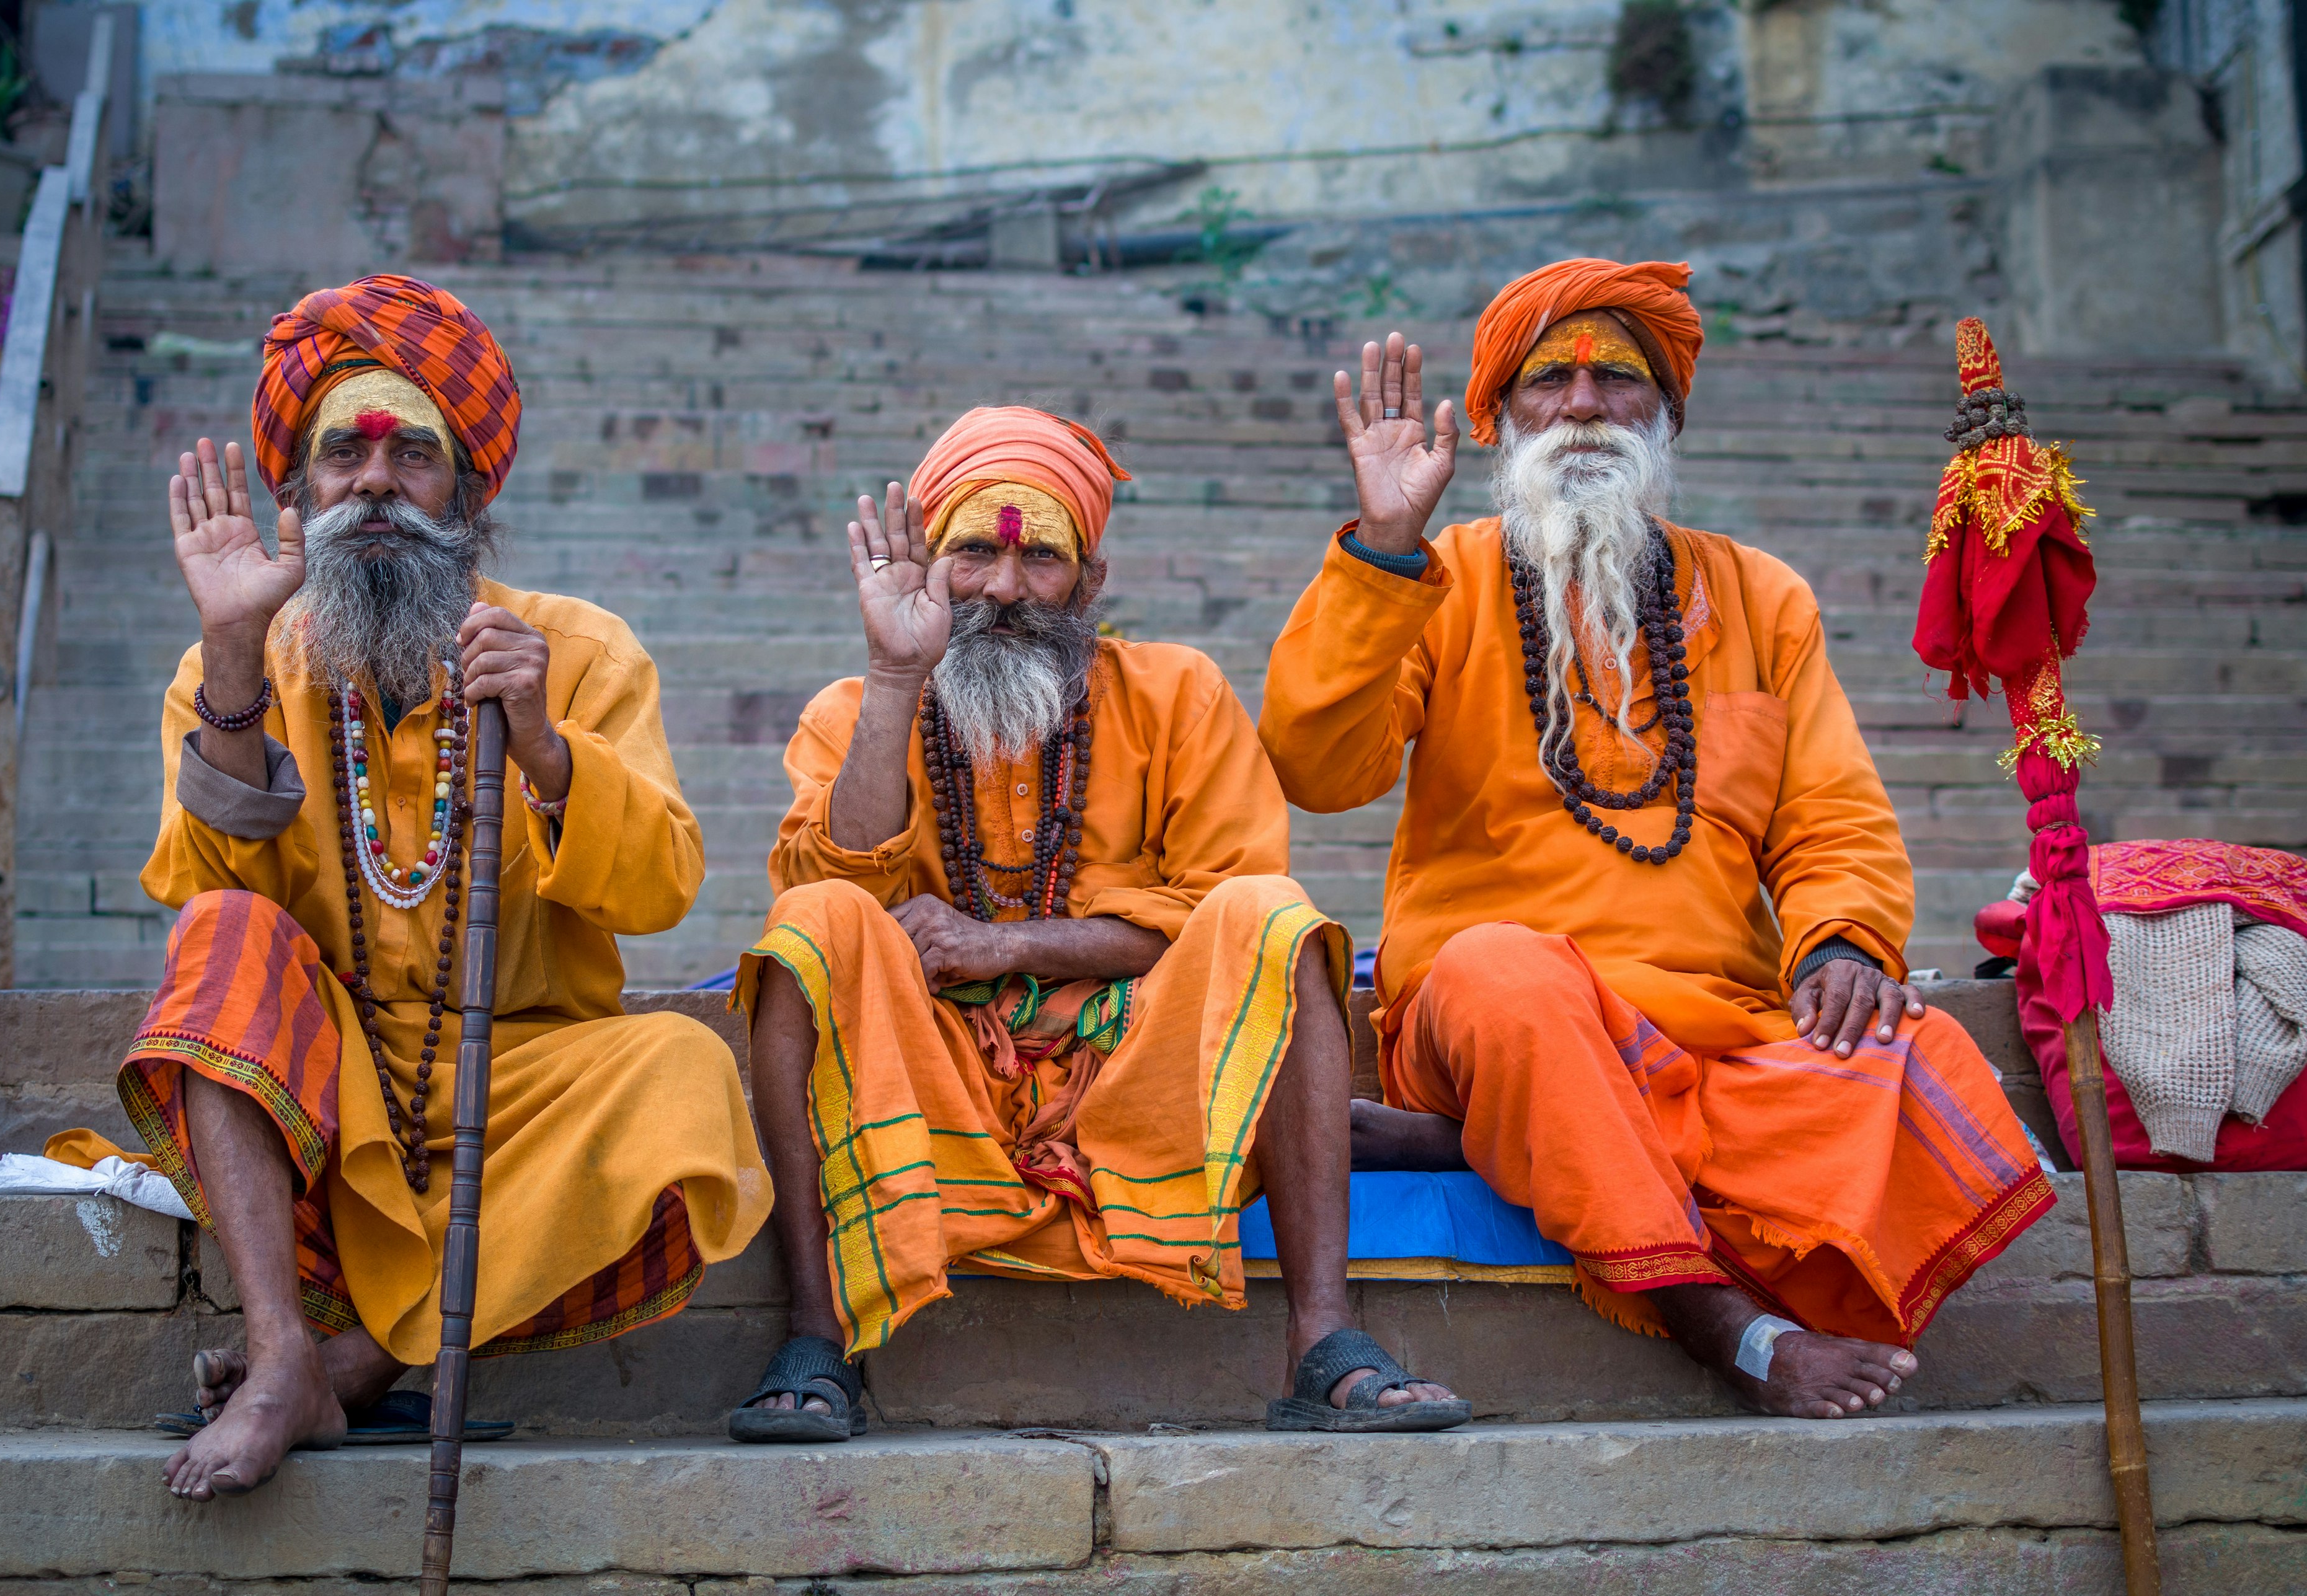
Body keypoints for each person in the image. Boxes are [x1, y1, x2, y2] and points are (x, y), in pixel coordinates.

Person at [1258, 258, 2054, 1421]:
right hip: (1495, 1008)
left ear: (1666, 412)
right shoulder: (1439, 582)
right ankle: (1730, 1330)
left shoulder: (1762, 596)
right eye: (1550, 382)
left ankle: (1499, 1144)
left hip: (1709, 1028)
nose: (1582, 405)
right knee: (1507, 975)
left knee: (1912, 1056)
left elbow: (1833, 816)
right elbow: (1318, 769)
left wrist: (1840, 943)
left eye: (1616, 381)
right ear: (1502, 416)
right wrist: (1383, 548)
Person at [110, 274, 770, 1500]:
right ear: (298, 493)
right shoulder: (234, 666)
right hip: (325, 1080)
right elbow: (204, 901)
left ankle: (346, 1367)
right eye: (341, 455)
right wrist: (239, 654)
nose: (373, 482)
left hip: (518, 1082)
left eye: (412, 455)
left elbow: (666, 884)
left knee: (683, 1078)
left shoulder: (578, 651)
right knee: (224, 934)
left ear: (468, 491)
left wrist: (543, 743)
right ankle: (275, 1356)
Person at [731, 405, 1465, 1440]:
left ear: (1092, 582)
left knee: (1278, 915)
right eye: (974, 553)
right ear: (930, 569)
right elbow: (832, 882)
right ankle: (818, 1336)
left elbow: (1224, 900)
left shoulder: (1178, 696)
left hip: (1142, 1078)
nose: (1003, 588)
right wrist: (898, 677)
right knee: (810, 924)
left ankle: (1321, 1340)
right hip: (941, 1075)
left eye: (1041, 561)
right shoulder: (856, 710)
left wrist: (1011, 945)